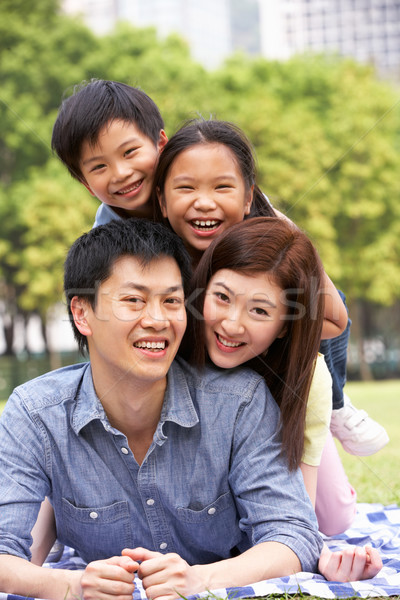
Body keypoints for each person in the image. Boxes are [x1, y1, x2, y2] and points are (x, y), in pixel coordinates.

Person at [0, 218, 325, 600]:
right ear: (82, 313)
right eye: (134, 300)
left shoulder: (239, 402)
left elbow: (292, 534)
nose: (157, 320)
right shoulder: (35, 413)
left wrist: (200, 580)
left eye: (171, 300)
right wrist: (68, 584)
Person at [152, 117, 389, 456]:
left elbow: (335, 321)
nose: (204, 202)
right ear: (161, 200)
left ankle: (336, 403)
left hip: (265, 377)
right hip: (196, 390)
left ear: (249, 198)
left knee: (316, 303)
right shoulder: (160, 256)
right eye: (187, 188)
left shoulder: (262, 237)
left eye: (222, 188)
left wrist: (287, 232)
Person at [187, 216, 358, 537]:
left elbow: (299, 517)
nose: (231, 325)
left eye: (260, 311)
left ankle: (335, 416)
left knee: (334, 519)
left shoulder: (309, 376)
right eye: (222, 297)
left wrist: (288, 234)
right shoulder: (179, 347)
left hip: (291, 417)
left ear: (283, 327)